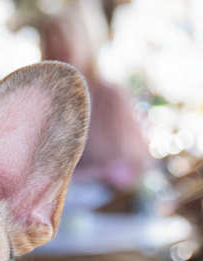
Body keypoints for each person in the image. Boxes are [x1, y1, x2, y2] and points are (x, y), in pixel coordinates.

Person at [40, 11, 151, 191]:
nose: (57, 54)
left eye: (63, 48)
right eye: (51, 49)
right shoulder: (44, 103)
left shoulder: (112, 98)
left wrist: (96, 175)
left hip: (110, 208)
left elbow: (136, 163)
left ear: (83, 45)